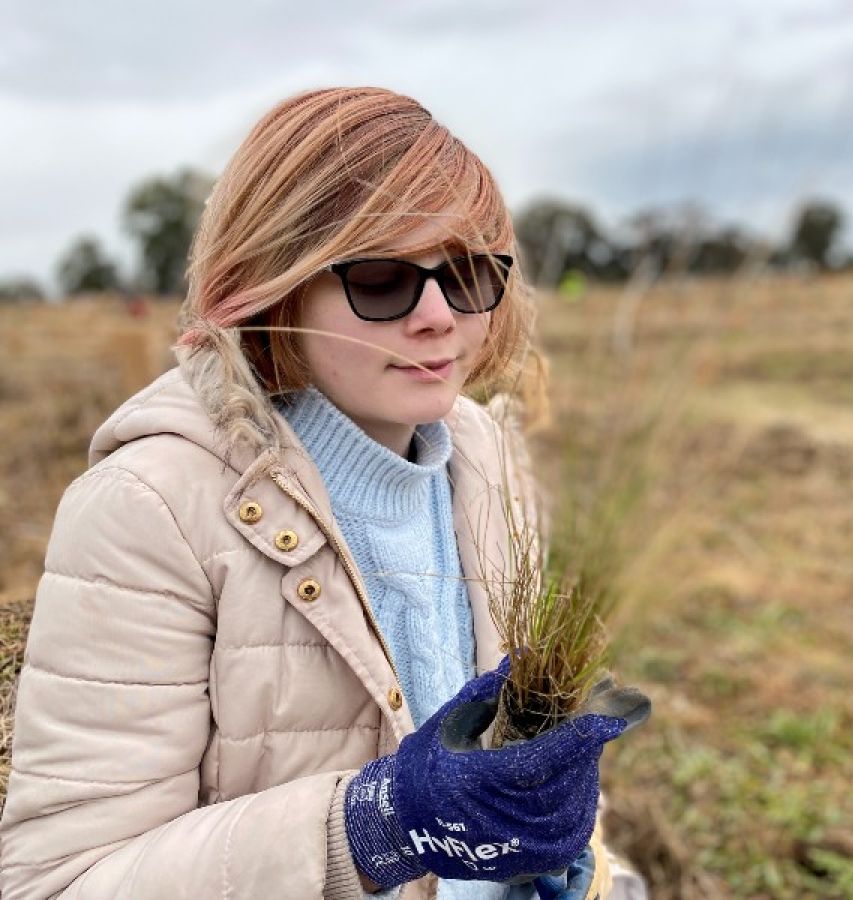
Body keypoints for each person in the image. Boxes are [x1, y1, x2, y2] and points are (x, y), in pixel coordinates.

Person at [0, 87, 648, 900]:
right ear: (277, 286)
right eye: (382, 280)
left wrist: (571, 857)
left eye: (470, 273)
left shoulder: (487, 458)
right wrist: (375, 826)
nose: (439, 317)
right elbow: (58, 883)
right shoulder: (149, 506)